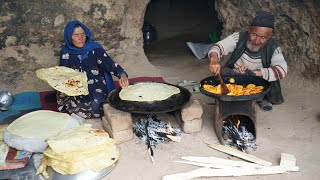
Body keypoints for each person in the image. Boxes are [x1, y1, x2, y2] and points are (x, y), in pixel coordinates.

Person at [208, 11, 288, 111]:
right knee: (222, 71)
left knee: (272, 78)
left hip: (259, 79)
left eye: (263, 37)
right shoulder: (238, 37)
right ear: (249, 29)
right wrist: (214, 59)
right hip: (236, 75)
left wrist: (253, 73)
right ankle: (234, 95)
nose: (257, 41)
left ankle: (263, 99)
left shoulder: (273, 47)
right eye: (254, 34)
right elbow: (218, 47)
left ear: (270, 36)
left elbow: (282, 70)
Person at [57, 20, 129, 118]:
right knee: (65, 96)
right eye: (76, 35)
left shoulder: (95, 49)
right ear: (69, 37)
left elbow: (109, 63)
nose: (81, 38)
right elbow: (62, 73)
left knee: (96, 101)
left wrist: (122, 75)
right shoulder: (65, 52)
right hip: (76, 85)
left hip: (94, 82)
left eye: (83, 34)